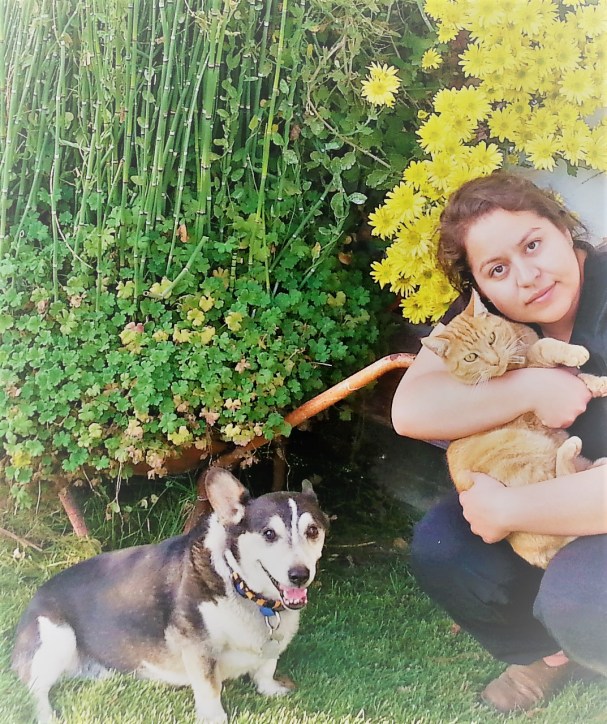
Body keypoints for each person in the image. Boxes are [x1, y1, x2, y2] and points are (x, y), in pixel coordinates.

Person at [391, 171, 607, 713]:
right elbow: (410, 410)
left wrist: (509, 509)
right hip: (552, 483)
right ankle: (545, 655)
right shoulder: (485, 314)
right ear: (480, 289)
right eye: (497, 270)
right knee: (446, 546)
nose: (528, 277)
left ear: (564, 229)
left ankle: (584, 631)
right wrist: (531, 387)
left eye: (533, 245)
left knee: (582, 597)